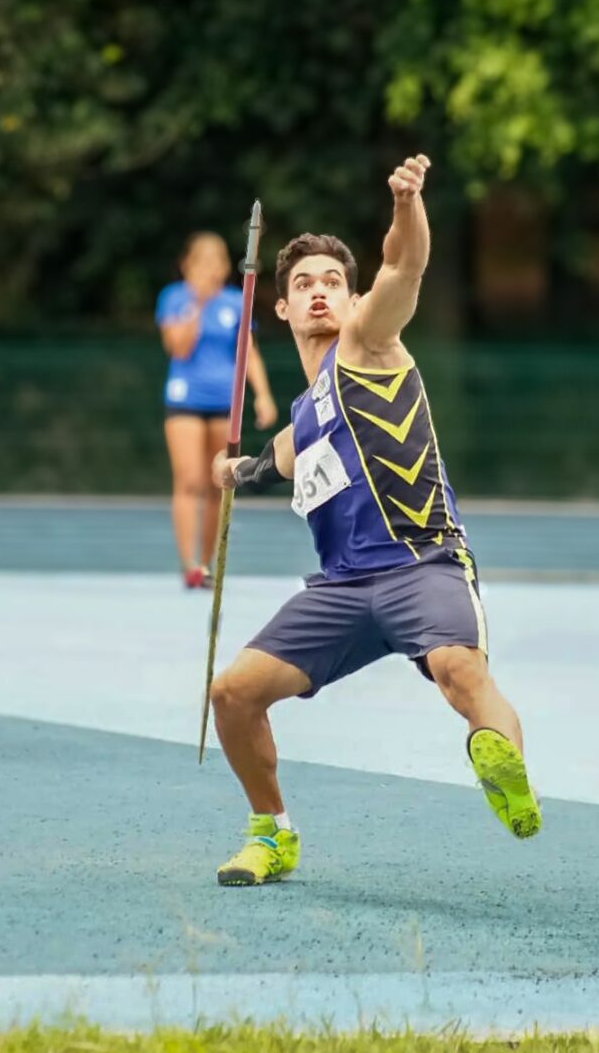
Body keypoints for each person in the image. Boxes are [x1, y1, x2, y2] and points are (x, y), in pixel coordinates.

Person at [210, 155, 541, 886]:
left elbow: (406, 268)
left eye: (333, 281)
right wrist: (236, 473)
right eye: (304, 284)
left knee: (461, 671)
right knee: (232, 695)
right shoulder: (302, 411)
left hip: (422, 564)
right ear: (283, 309)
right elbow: (283, 458)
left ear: (352, 297)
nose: (320, 292)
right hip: (342, 590)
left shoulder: (369, 342)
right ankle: (272, 834)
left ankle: (504, 763)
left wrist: (406, 204)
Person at [156, 231, 278, 588]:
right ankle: (188, 564)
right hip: (185, 400)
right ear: (187, 265)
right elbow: (177, 347)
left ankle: (207, 564)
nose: (210, 269)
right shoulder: (174, 298)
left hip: (224, 402)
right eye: (202, 261)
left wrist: (263, 394)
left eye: (217, 261)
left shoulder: (236, 301)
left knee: (216, 483)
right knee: (189, 479)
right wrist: (198, 304)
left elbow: (248, 351)